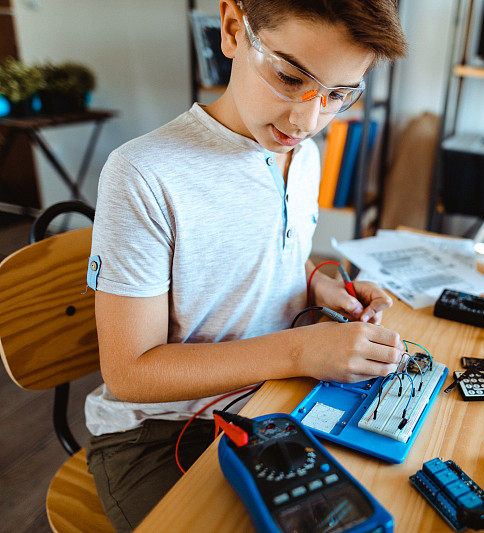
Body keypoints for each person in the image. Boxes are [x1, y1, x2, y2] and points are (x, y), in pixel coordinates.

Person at [84, 1, 407, 530]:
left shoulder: (303, 154)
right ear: (233, 29)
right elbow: (128, 373)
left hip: (269, 401)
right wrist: (302, 350)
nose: (309, 118)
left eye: (339, 95)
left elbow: (276, 256)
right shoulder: (144, 174)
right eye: (287, 75)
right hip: (158, 432)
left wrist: (318, 284)